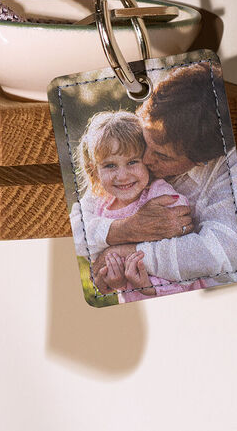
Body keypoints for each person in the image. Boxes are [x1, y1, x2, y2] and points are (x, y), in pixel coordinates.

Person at [71, 62, 237, 295]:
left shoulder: (230, 169)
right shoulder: (129, 149)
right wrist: (125, 229)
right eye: (145, 142)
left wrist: (121, 254)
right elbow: (78, 227)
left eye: (162, 156)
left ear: (200, 161)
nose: (145, 159)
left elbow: (224, 250)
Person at [72, 110, 190, 301]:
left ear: (148, 161)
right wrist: (114, 281)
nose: (122, 176)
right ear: (95, 170)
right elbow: (92, 256)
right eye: (110, 165)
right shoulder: (100, 205)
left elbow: (187, 260)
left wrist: (152, 287)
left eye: (132, 162)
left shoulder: (163, 198)